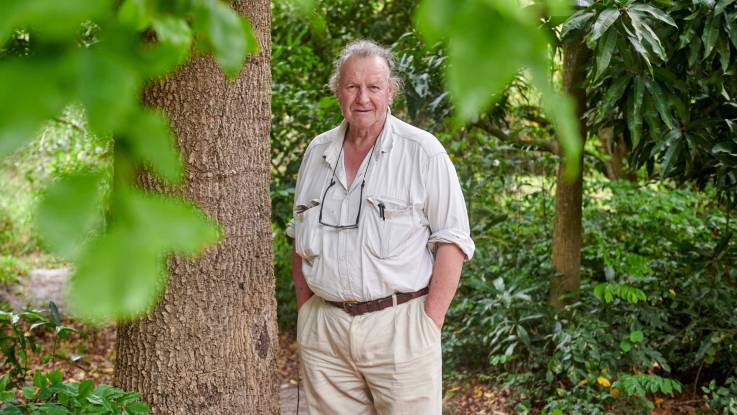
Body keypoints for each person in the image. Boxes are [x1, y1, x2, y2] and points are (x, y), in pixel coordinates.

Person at [286, 39, 474, 414]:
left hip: (400, 327)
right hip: (326, 331)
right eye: (352, 86)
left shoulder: (423, 151)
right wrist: (307, 311)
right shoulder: (317, 152)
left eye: (373, 87)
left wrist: (427, 324)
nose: (363, 98)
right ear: (337, 90)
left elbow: (452, 241)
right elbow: (297, 236)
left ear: (390, 91)